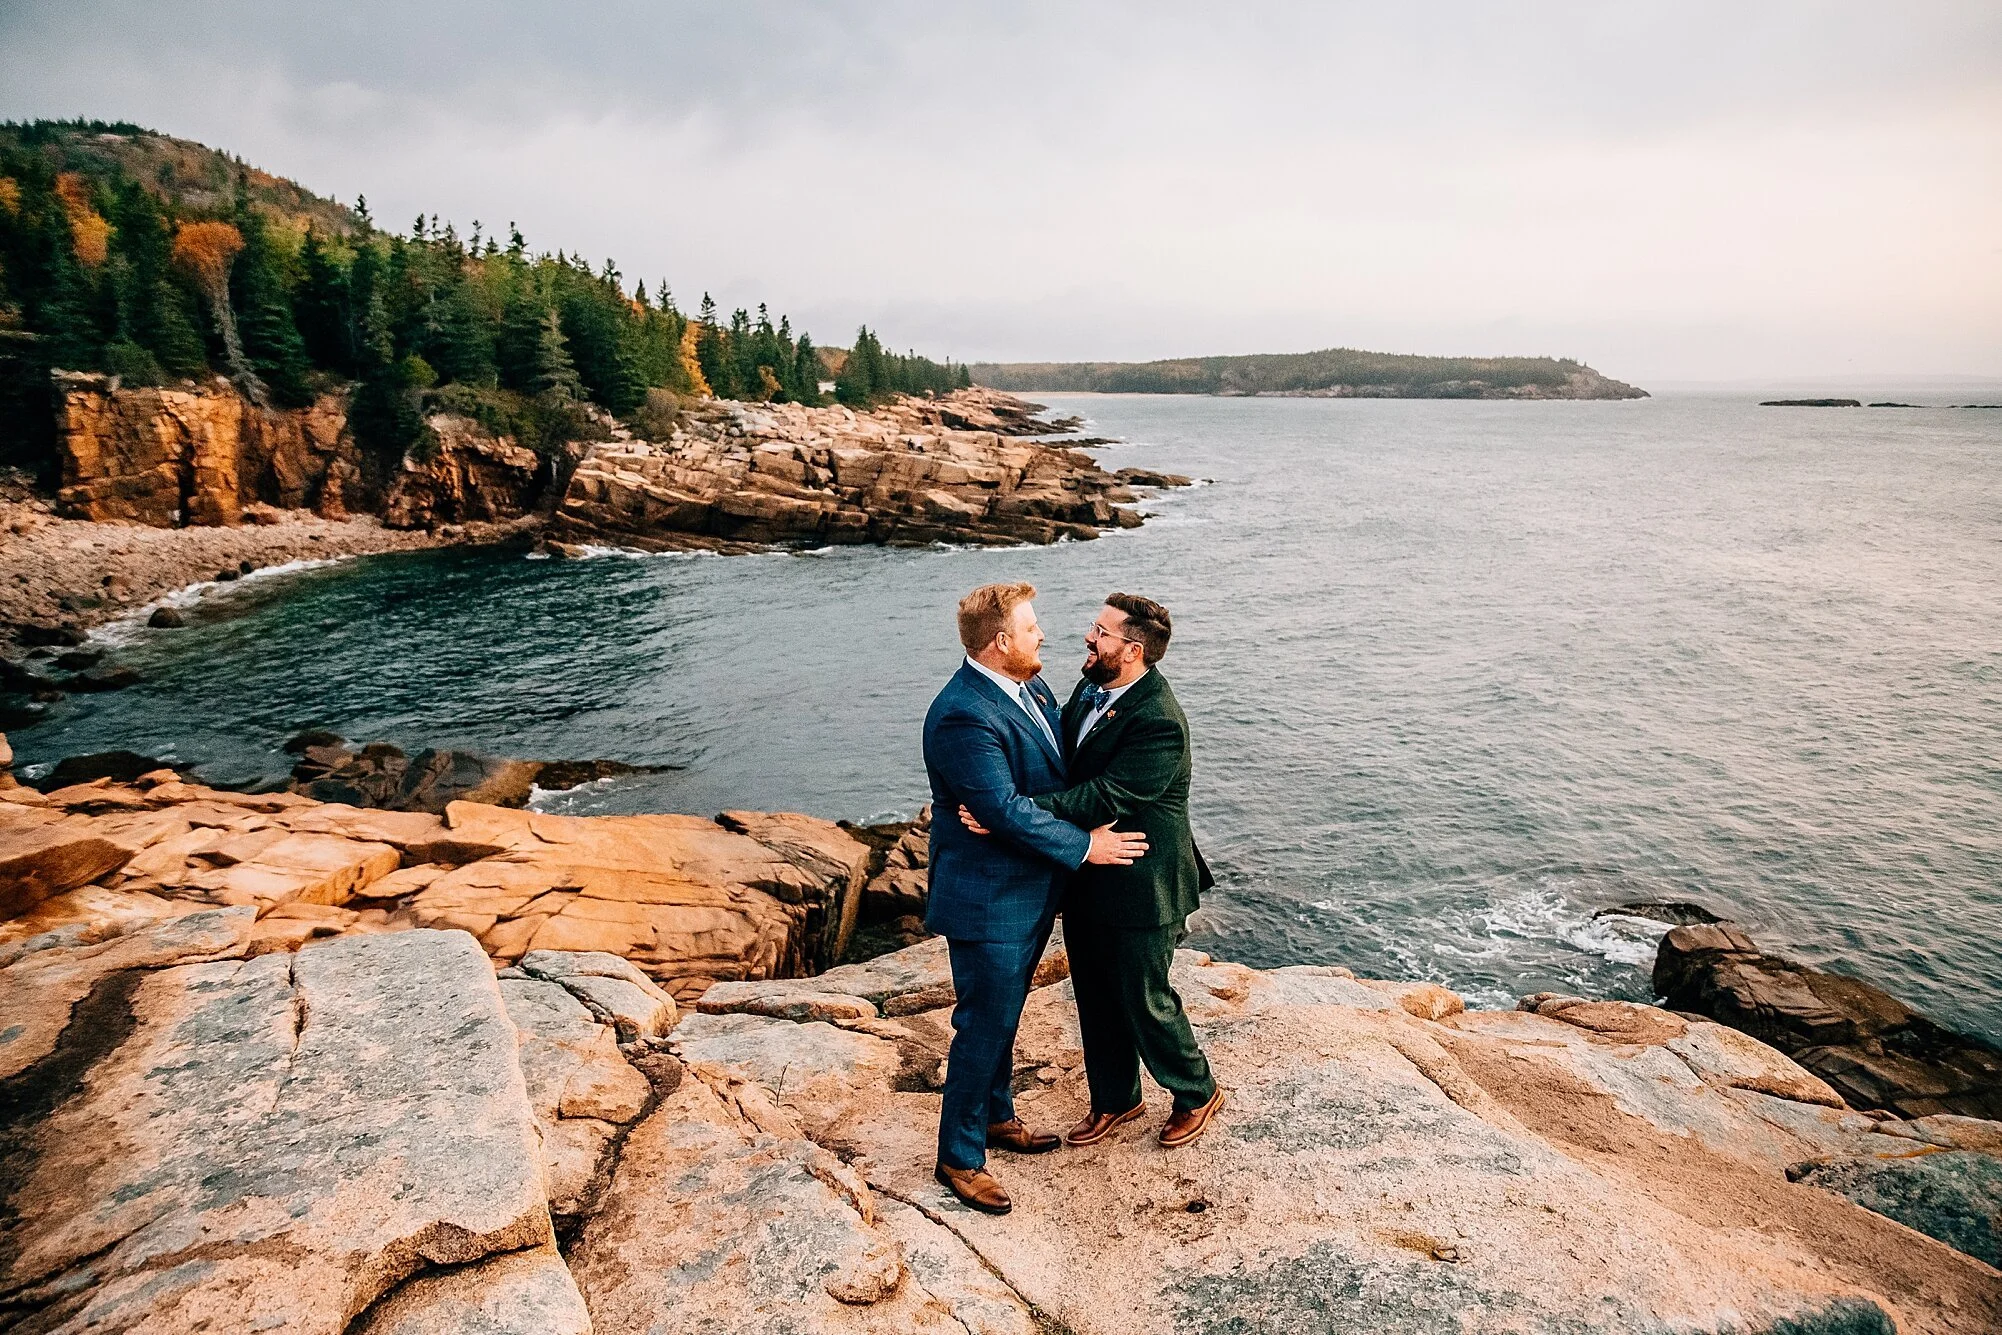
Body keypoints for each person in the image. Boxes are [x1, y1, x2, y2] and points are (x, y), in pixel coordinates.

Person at [962, 592, 1224, 1150]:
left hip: (1141, 882)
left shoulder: (1159, 720)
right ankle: (1116, 1098)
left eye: (1101, 633)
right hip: (1087, 870)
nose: (1088, 637)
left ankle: (1196, 1091)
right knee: (1094, 995)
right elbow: (1061, 756)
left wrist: (1008, 811)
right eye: (1093, 627)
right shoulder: (1090, 687)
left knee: (1142, 996)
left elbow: (1108, 793)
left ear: (1131, 651)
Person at [922, 581, 1148, 1216]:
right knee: (982, 1023)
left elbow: (1045, 779)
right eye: (1029, 628)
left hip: (1026, 889)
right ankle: (959, 1158)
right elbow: (999, 809)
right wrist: (1086, 846)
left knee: (1005, 1013)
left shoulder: (1032, 687)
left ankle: (995, 1116)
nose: (1041, 634)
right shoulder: (964, 713)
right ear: (1001, 643)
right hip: (988, 897)